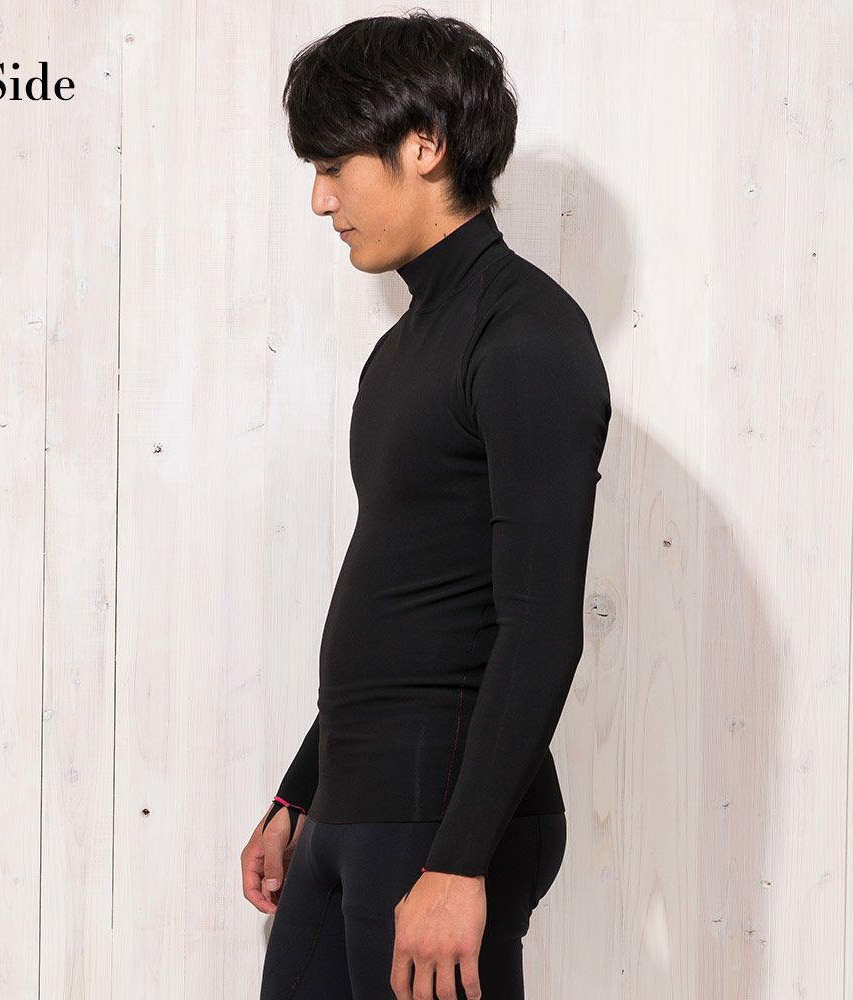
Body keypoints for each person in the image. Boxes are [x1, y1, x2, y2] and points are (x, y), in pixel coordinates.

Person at [242, 11, 612, 1000]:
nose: (321, 200)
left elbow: (539, 625)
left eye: (334, 166)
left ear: (424, 144)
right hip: (356, 808)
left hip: (440, 822)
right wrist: (301, 791)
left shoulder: (526, 338)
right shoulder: (402, 350)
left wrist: (457, 862)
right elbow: (405, 591)